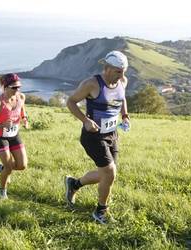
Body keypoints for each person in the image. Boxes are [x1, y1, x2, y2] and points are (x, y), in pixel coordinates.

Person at [65, 51, 131, 224]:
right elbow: (71, 102)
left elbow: (122, 98)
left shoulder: (122, 81)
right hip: (93, 136)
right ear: (107, 68)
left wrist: (124, 115)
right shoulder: (91, 84)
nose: (122, 75)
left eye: (124, 71)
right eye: (118, 71)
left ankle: (74, 184)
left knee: (108, 174)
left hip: (112, 134)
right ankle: (100, 212)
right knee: (109, 173)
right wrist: (85, 120)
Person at [0, 73, 29, 199]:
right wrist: (2, 125)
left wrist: (25, 119)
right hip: (0, 137)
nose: (17, 90)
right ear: (6, 87)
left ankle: (3, 169)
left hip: (14, 135)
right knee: (9, 168)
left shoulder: (21, 97)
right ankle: (2, 191)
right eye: (14, 87)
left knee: (22, 165)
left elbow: (22, 109)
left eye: (19, 87)